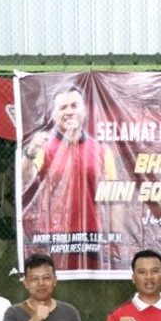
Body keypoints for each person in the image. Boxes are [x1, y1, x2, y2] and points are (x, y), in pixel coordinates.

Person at [20, 82, 117, 270]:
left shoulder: (102, 150)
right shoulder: (43, 147)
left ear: (84, 111)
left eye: (74, 106)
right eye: (62, 107)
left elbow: (115, 200)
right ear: (54, 114)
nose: (69, 112)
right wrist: (30, 153)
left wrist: (115, 236)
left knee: (92, 285)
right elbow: (25, 180)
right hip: (54, 235)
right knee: (55, 284)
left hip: (93, 235)